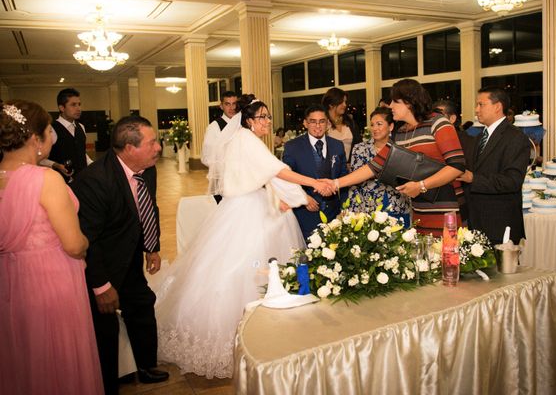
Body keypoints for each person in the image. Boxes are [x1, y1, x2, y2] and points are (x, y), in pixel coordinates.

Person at [153, 95, 333, 379]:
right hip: (247, 210)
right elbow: (278, 171)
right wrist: (314, 184)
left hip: (250, 203)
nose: (267, 122)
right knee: (246, 266)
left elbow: (268, 177)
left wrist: (293, 199)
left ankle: (270, 323)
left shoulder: (243, 139)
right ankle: (243, 336)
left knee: (250, 265)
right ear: (249, 120)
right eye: (262, 117)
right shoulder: (247, 139)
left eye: (268, 117)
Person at [0, 100, 103, 395]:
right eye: (48, 131)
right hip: (51, 283)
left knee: (22, 353)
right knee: (59, 355)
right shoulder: (45, 178)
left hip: (9, 281)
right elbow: (73, 244)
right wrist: (84, 242)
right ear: (36, 139)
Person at [72, 115, 168, 395]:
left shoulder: (147, 168)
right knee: (105, 328)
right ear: (129, 147)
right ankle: (105, 383)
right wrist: (101, 286)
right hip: (102, 266)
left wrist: (152, 246)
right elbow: (88, 240)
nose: (158, 147)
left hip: (130, 259)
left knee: (142, 305)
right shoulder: (94, 181)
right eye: (152, 143)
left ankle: (146, 365)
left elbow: (149, 208)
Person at [333, 79, 466, 236]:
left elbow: (457, 166)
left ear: (409, 102)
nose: (390, 106)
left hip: (442, 209)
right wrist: (335, 183)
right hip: (416, 210)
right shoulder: (401, 132)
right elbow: (374, 166)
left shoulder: (438, 123)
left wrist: (421, 185)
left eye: (395, 102)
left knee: (444, 256)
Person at [458, 87, 531, 245]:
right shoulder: (478, 137)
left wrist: (473, 178)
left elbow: (512, 181)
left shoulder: (516, 138)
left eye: (481, 104)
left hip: (499, 225)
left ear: (497, 106)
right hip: (474, 223)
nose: (476, 110)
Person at [283, 104, 348, 239]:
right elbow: (287, 179)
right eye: (313, 121)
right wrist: (303, 198)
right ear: (305, 123)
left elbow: (344, 178)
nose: (317, 126)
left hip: (333, 213)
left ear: (328, 123)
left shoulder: (337, 145)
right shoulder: (292, 147)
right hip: (305, 213)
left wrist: (344, 207)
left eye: (322, 121)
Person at [346, 107, 410, 225]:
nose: (375, 128)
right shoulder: (360, 149)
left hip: (396, 205)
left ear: (390, 127)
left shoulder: (400, 149)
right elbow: (354, 181)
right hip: (368, 207)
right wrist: (354, 210)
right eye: (372, 125)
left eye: (379, 124)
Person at [433, 99, 476, 223]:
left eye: (440, 116)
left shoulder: (467, 141)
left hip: (461, 200)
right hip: (435, 200)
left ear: (452, 118)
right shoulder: (430, 138)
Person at [41, 88, 92, 181]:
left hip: (82, 180)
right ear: (62, 108)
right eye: (73, 105)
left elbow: (82, 153)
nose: (78, 108)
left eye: (79, 104)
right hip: (61, 182)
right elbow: (40, 158)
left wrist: (94, 165)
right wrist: (56, 165)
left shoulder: (81, 127)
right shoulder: (51, 129)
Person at [201, 90, 238, 201]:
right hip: (222, 182)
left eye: (234, 104)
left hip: (240, 180)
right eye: (227, 104)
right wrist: (225, 169)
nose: (231, 108)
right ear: (221, 106)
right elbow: (206, 157)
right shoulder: (214, 127)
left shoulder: (241, 125)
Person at [321, 87, 361, 163]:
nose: (345, 105)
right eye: (341, 102)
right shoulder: (323, 124)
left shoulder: (350, 122)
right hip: (330, 169)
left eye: (345, 102)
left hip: (349, 168)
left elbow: (359, 145)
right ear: (331, 104)